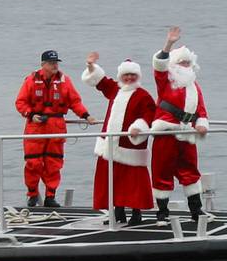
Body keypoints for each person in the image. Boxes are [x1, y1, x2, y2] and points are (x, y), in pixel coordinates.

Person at [82, 52, 156, 225]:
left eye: (132, 75)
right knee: (111, 179)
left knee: (133, 181)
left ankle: (136, 214)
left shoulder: (143, 96)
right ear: (121, 76)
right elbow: (100, 81)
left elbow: (149, 115)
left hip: (130, 145)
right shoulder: (115, 89)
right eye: (126, 75)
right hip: (109, 144)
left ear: (137, 76)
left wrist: (138, 127)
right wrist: (91, 65)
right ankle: (118, 211)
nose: (129, 78)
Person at [16, 50, 96, 207]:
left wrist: (86, 116)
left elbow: (75, 102)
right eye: (52, 63)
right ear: (43, 64)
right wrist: (31, 115)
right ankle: (32, 194)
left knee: (54, 163)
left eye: (56, 63)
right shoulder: (31, 80)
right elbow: (20, 102)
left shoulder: (65, 81)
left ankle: (50, 196)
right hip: (36, 126)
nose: (55, 66)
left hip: (56, 126)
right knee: (33, 163)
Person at [150, 26, 210, 224]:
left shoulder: (195, 87)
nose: (185, 65)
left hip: (187, 134)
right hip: (166, 132)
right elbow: (158, 65)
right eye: (181, 62)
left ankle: (196, 211)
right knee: (162, 171)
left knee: (191, 171)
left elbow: (201, 109)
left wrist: (202, 123)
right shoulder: (165, 81)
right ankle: (162, 212)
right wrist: (168, 44)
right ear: (174, 65)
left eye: (187, 62)